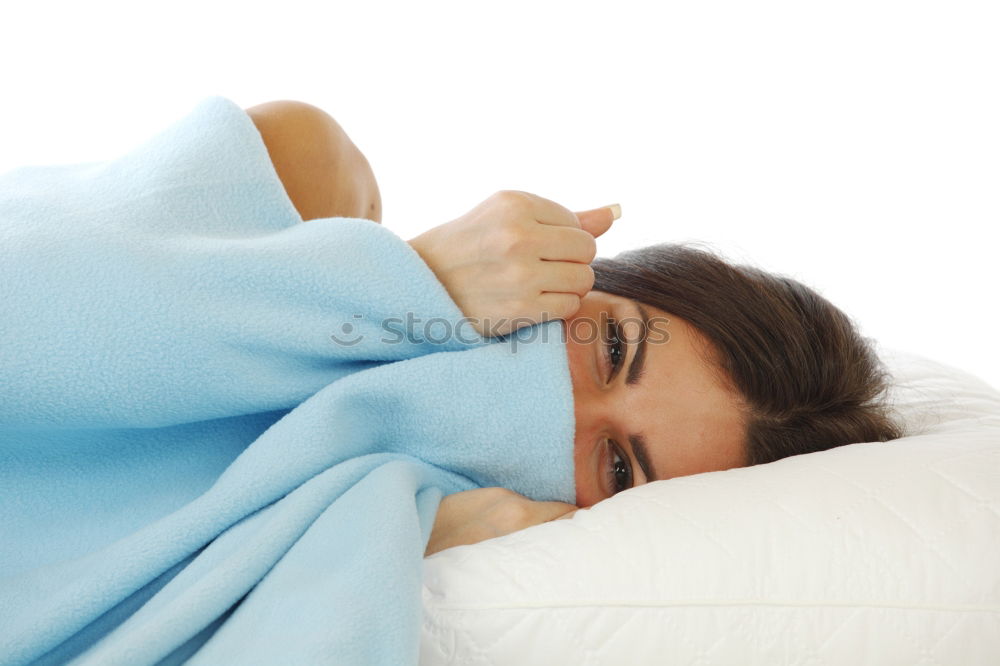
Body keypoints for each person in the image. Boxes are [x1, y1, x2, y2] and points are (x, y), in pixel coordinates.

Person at [251, 100, 905, 556]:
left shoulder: (445, 532)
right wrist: (411, 277)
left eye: (619, 467)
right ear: (593, 273)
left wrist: (384, 537)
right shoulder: (304, 178)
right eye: (613, 347)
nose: (562, 402)